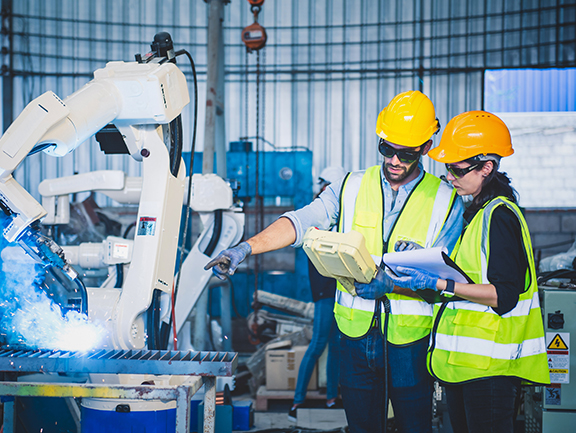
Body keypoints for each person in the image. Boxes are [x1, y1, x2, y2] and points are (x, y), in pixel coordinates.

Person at [205, 90, 465, 433]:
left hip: (410, 344)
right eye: (387, 149)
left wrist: (394, 284)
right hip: (356, 338)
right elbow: (300, 221)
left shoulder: (446, 200)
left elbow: (447, 282)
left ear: (426, 148)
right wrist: (245, 248)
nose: (395, 161)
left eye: (406, 153)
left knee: (414, 427)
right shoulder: (350, 186)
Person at [389, 111, 550, 433]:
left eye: (457, 169)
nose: (450, 177)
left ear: (487, 167)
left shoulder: (500, 216)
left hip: (490, 370)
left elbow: (503, 295)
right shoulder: (475, 214)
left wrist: (439, 281)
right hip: (466, 367)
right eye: (447, 168)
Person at [288, 166, 346, 423]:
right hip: (325, 292)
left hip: (341, 292)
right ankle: (297, 400)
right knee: (318, 345)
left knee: (334, 347)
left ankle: (331, 398)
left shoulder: (342, 215)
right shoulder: (318, 216)